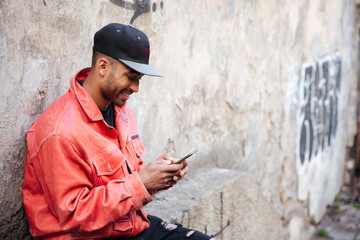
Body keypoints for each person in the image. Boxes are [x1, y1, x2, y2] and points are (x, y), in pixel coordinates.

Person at [22, 23, 215, 240]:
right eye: (131, 76)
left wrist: (158, 176)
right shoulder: (59, 131)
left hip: (129, 228)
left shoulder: (122, 114)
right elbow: (74, 214)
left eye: (139, 80)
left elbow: (127, 184)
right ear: (103, 67)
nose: (136, 88)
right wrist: (141, 183)